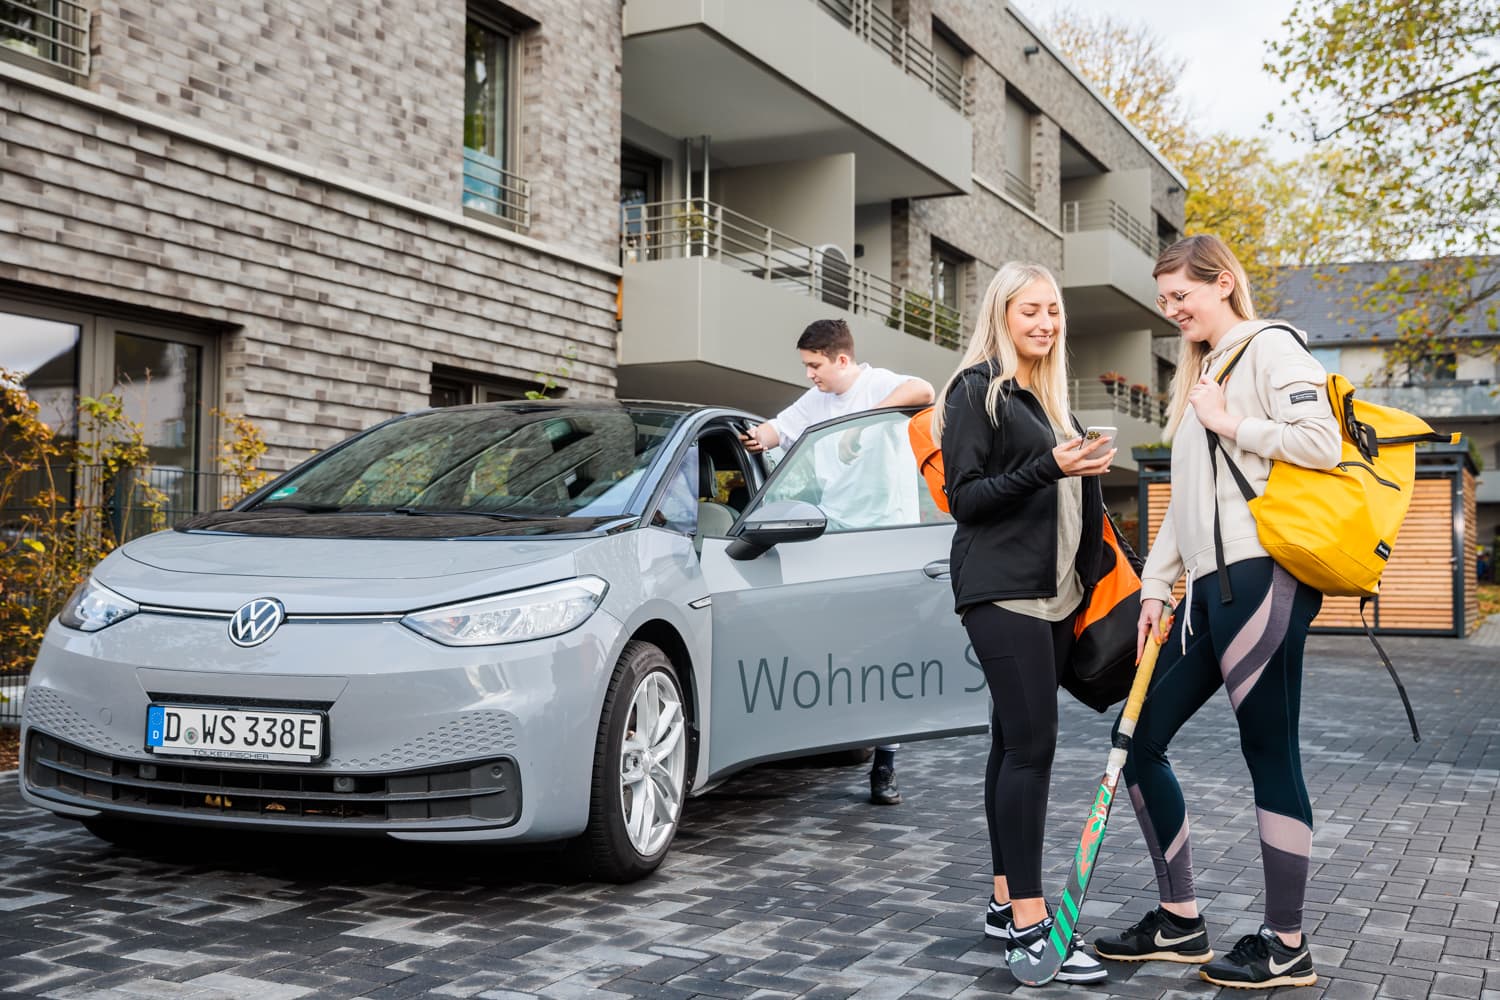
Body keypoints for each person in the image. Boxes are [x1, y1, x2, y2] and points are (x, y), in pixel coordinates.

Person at [1092, 234, 1340, 990]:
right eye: (1164, 300)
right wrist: (1156, 586)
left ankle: (1286, 942)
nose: (1171, 311)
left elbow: (1320, 442)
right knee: (1138, 741)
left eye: (1180, 296)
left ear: (1223, 282)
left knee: (1270, 754)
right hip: (1207, 592)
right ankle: (1179, 921)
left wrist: (1233, 423)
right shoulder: (1206, 369)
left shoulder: (1271, 348)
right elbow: (1187, 499)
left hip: (1263, 579)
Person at [934, 261, 1114, 985]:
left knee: (1012, 743)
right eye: (1029, 311)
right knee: (1033, 748)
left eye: (1052, 312)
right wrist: (1050, 468)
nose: (1044, 323)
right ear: (1001, 313)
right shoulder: (977, 390)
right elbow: (966, 498)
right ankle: (1034, 929)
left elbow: (1069, 502)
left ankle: (1006, 901)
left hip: (1057, 595)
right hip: (1002, 593)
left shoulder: (1049, 399)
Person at [742, 317, 935, 805]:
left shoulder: (877, 384)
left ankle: (885, 765)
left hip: (887, 539)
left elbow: (924, 388)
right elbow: (777, 430)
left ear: (842, 360)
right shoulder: (816, 401)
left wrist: (862, 424)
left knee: (889, 653)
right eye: (807, 366)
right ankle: (822, 739)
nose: (810, 374)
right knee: (839, 649)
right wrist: (756, 437)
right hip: (834, 536)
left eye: (815, 365)